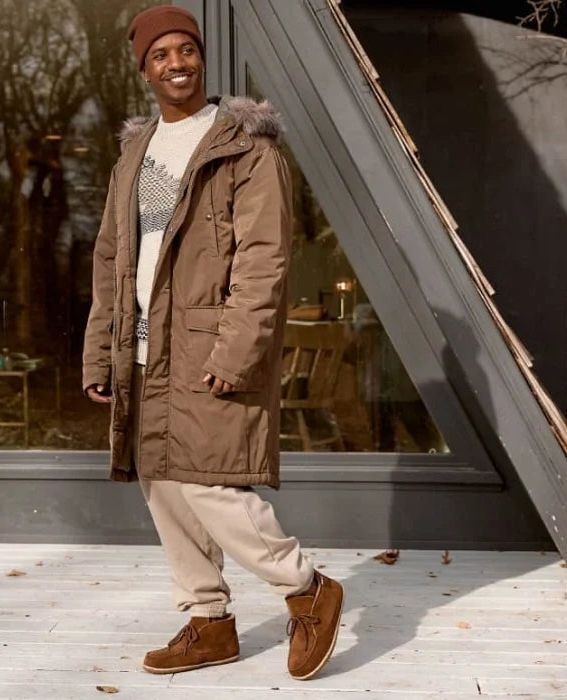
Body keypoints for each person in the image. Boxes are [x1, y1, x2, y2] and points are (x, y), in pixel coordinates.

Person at [82, 5, 344, 681]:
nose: (177, 64)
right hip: (141, 348)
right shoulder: (133, 157)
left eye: (185, 51)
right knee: (163, 488)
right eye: (161, 55)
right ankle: (208, 621)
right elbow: (112, 259)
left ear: (202, 59)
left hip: (205, 347)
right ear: (145, 69)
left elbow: (264, 262)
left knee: (210, 486)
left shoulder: (245, 150)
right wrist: (101, 350)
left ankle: (307, 588)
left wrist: (235, 352)